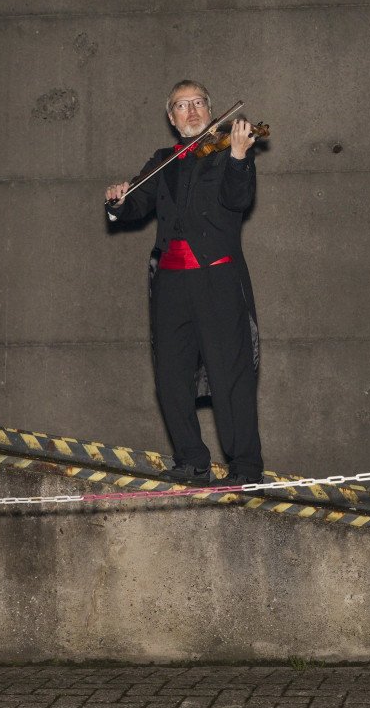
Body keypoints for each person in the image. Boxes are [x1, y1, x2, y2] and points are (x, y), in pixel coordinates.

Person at [105, 81, 263, 487]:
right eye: (181, 106)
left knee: (231, 374)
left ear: (210, 111)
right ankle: (191, 460)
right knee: (171, 376)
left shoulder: (230, 152)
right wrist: (120, 200)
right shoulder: (163, 161)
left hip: (217, 279)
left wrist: (241, 156)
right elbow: (136, 204)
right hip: (171, 284)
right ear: (172, 119)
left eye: (197, 104)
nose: (191, 111)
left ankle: (244, 468)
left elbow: (237, 200)